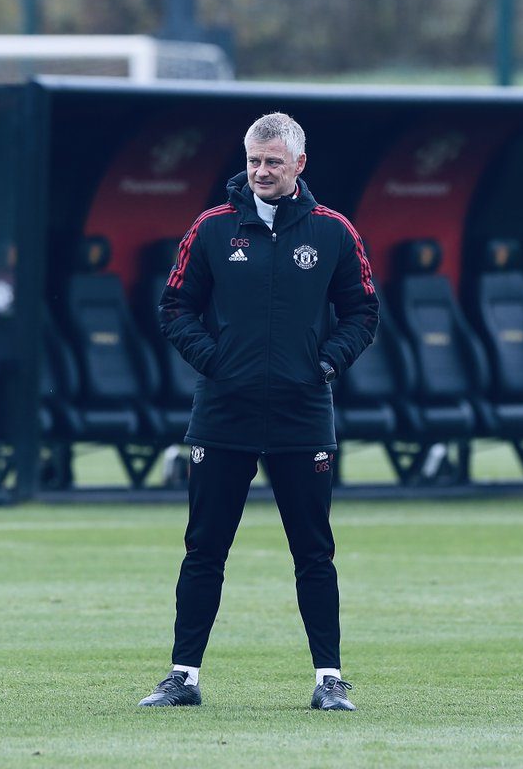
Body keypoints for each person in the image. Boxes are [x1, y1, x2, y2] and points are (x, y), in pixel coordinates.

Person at [140, 112, 378, 711]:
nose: (261, 171)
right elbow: (174, 308)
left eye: (273, 161)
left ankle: (329, 680)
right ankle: (183, 677)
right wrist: (216, 363)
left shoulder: (333, 232)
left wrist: (325, 365)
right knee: (204, 549)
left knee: (314, 552)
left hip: (303, 415)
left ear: (300, 164)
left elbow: (363, 313)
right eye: (253, 160)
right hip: (223, 415)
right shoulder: (214, 228)